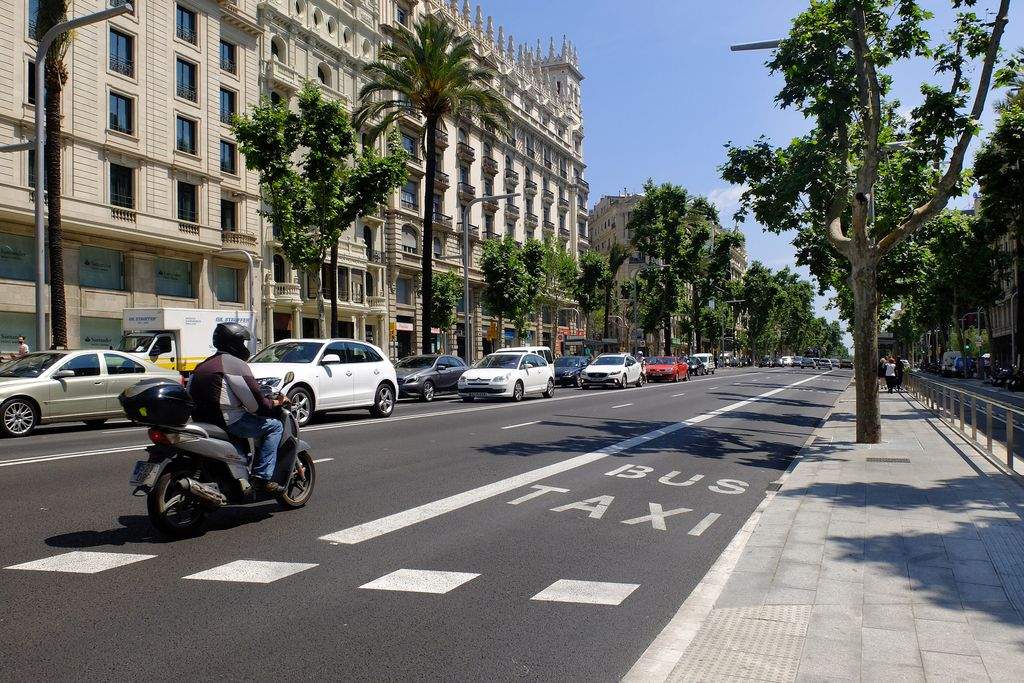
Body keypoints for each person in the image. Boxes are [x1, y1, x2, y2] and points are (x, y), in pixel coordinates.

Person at [188, 323, 285, 494]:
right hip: (228, 420)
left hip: (202, 421)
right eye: (242, 342)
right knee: (275, 426)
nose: (244, 347)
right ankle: (261, 478)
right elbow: (255, 405)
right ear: (235, 343)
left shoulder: (202, 365)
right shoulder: (234, 364)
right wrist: (275, 403)